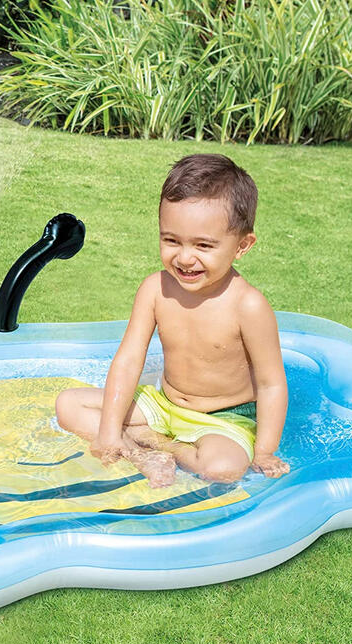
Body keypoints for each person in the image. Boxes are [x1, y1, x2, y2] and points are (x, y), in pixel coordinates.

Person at [56, 153, 290, 488]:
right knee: (69, 405)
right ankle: (141, 453)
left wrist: (265, 451)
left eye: (203, 245)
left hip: (222, 420)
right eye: (171, 240)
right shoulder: (155, 289)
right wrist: (108, 430)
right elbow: (128, 360)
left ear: (242, 245)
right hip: (163, 407)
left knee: (223, 468)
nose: (184, 258)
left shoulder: (248, 305)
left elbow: (271, 384)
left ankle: (154, 444)